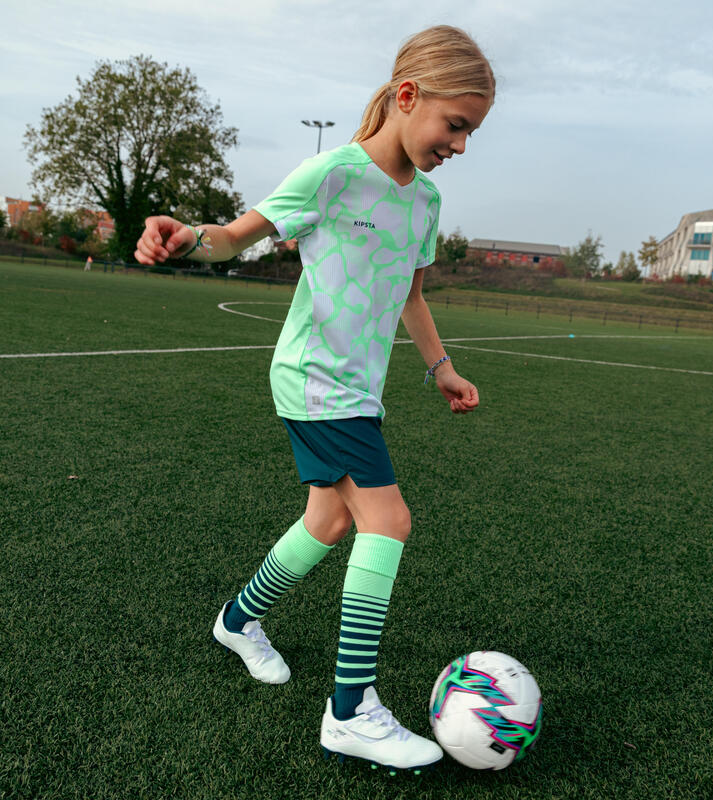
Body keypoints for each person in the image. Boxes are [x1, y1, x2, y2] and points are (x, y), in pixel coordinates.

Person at [134, 24, 494, 773]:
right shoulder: (332, 173)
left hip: (358, 388)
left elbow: (412, 296)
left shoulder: (424, 203)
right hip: (313, 378)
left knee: (329, 521)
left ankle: (238, 620)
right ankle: (351, 710)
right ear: (406, 97)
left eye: (472, 132)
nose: (460, 144)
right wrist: (183, 234)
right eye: (455, 124)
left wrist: (441, 369)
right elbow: (235, 238)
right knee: (387, 519)